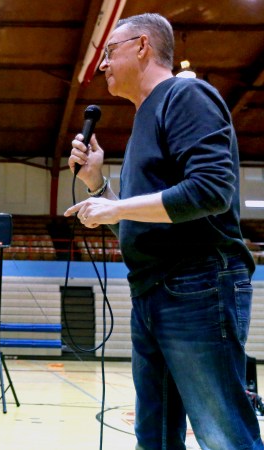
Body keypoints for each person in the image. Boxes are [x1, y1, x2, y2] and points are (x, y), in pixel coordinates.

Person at [65, 13, 263, 450]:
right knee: (153, 435)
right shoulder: (143, 121)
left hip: (197, 284)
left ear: (141, 46)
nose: (103, 65)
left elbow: (210, 190)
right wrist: (99, 185)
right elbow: (143, 219)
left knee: (223, 433)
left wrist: (113, 206)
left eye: (109, 52)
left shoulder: (185, 94)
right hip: (152, 290)